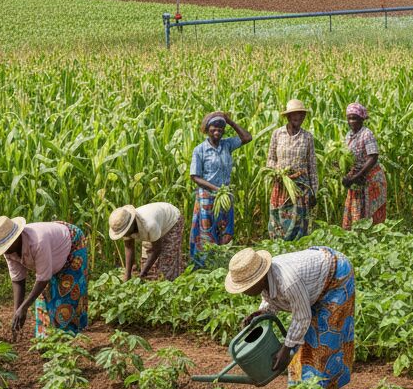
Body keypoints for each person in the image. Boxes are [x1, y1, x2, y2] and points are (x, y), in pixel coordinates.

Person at [224, 245, 355, 389]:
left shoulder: (288, 281)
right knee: (303, 341)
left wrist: (285, 349)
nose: (245, 292)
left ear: (258, 280)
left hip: (336, 275)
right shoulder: (267, 280)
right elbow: (273, 298)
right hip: (313, 278)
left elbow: (302, 317)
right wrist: (262, 312)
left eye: (246, 287)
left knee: (326, 339)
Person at [0, 215, 89, 338]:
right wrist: (17, 311)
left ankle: (69, 338)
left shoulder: (38, 241)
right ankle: (44, 341)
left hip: (72, 243)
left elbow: (43, 278)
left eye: (6, 246)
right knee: (43, 302)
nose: (4, 251)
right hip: (52, 249)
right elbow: (18, 280)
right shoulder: (8, 251)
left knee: (66, 296)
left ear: (16, 238)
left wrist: (24, 308)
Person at [189, 111, 252, 264]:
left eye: (220, 128)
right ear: (207, 129)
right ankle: (204, 265)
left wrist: (229, 121)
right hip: (207, 197)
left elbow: (247, 138)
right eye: (213, 128)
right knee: (206, 232)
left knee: (225, 230)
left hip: (225, 196)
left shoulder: (227, 145)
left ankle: (222, 262)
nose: (217, 131)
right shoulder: (200, 150)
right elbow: (195, 176)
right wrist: (215, 189)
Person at [266, 99, 318, 241]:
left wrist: (314, 191)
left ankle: (297, 247)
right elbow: (270, 159)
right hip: (281, 184)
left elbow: (312, 165)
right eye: (295, 115)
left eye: (301, 115)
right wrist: (278, 171)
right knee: (279, 218)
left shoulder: (307, 137)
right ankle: (279, 245)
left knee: (299, 222)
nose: (299, 118)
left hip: (301, 186)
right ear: (288, 116)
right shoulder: (278, 134)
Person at [109, 201, 185, 281]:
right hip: (156, 224)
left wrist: (143, 273)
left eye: (125, 232)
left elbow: (157, 250)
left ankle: (171, 284)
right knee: (146, 261)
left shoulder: (149, 225)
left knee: (168, 260)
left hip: (171, 220)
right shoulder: (123, 224)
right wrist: (127, 276)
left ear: (131, 225)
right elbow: (129, 249)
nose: (124, 235)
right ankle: (152, 285)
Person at [341, 102, 388, 229]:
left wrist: (357, 176)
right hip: (357, 177)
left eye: (355, 118)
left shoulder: (366, 134)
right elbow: (347, 157)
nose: (352, 121)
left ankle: (371, 238)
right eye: (349, 118)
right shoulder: (348, 136)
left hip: (370, 178)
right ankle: (356, 236)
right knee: (357, 209)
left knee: (370, 212)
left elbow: (373, 156)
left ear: (362, 119)